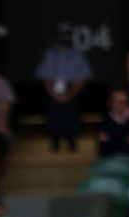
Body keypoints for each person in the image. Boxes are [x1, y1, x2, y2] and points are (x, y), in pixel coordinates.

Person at [36, 24, 92, 152]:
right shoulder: (49, 54)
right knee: (53, 119)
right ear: (57, 36)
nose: (65, 37)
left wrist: (69, 94)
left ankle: (72, 142)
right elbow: (45, 77)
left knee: (71, 119)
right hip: (53, 89)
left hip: (71, 89)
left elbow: (83, 77)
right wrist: (54, 94)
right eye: (62, 34)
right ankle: (54, 143)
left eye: (67, 34)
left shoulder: (77, 55)